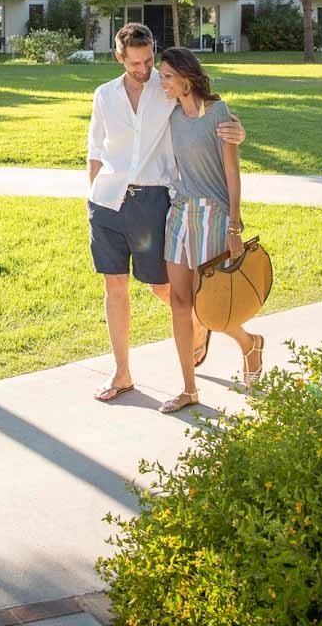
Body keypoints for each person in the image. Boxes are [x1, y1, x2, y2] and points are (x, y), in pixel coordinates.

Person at [86, 23, 245, 403]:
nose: (145, 69)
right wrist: (91, 199)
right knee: (114, 288)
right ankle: (122, 373)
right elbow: (95, 149)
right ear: (119, 57)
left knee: (163, 287)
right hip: (107, 201)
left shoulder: (167, 86)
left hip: (152, 200)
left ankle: (200, 323)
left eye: (148, 60)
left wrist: (238, 131)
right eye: (135, 63)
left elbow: (206, 111)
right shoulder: (104, 95)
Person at [154, 45, 263, 415]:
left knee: (208, 305)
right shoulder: (170, 114)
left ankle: (249, 342)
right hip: (179, 214)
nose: (162, 83)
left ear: (187, 77)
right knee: (179, 303)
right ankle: (188, 389)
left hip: (214, 216)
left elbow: (232, 172)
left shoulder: (218, 113)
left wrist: (235, 225)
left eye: (168, 76)